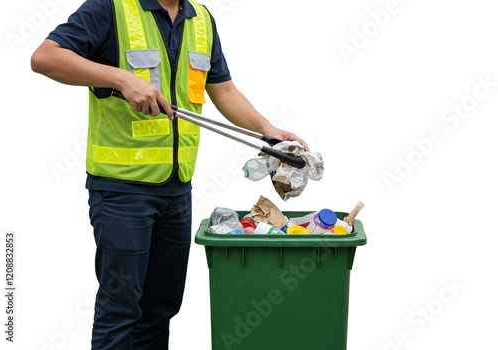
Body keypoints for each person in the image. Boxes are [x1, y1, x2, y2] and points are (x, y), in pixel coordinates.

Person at [31, 0, 309, 349]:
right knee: (119, 310)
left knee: (159, 309)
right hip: (122, 189)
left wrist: (268, 131)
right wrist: (121, 79)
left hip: (177, 191)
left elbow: (222, 89)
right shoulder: (111, 8)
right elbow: (44, 58)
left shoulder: (202, 19)